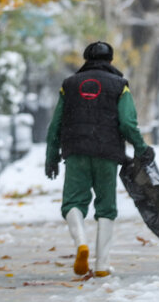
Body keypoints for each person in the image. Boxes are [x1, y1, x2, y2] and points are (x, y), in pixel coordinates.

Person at [45, 41, 151, 277]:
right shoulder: (119, 86)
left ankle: (81, 242)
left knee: (72, 202)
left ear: (86, 59)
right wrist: (141, 147)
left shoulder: (69, 85)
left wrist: (51, 155)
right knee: (106, 207)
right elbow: (127, 122)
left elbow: (56, 125)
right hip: (107, 152)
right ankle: (102, 265)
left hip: (76, 151)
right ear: (110, 60)